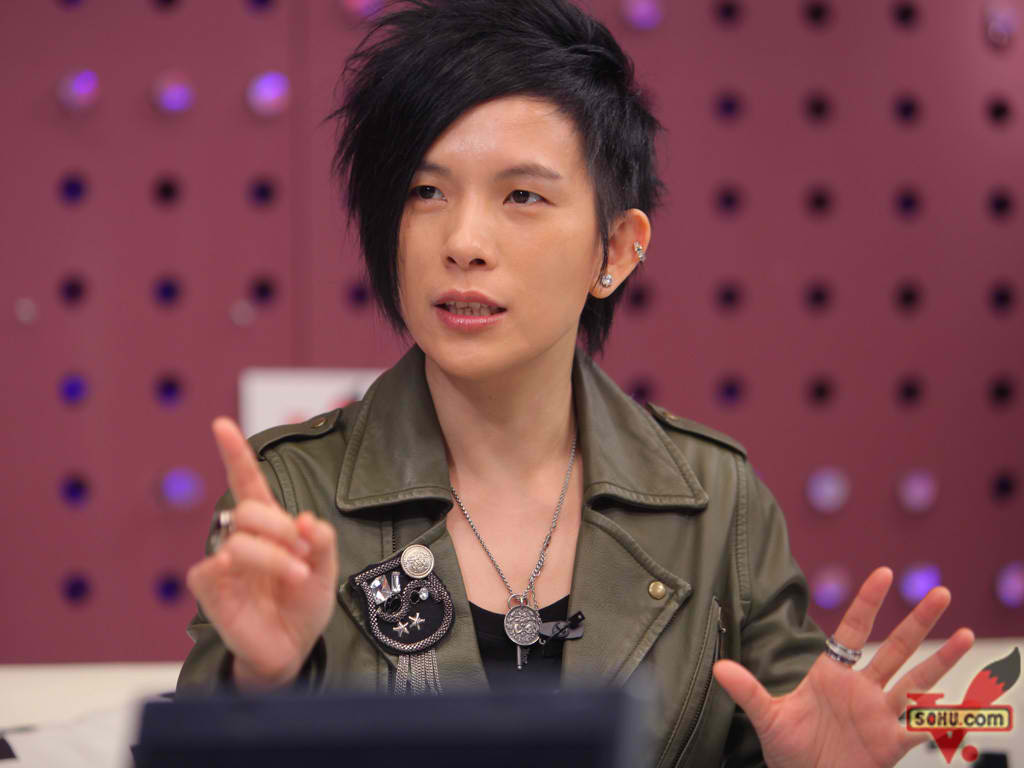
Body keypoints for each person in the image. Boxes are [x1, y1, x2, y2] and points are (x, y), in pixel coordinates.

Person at [176, 0, 976, 765]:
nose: (464, 240)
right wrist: (256, 685)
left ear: (616, 250)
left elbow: (790, 732)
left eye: (522, 195)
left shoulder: (716, 502)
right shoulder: (293, 495)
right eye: (426, 192)